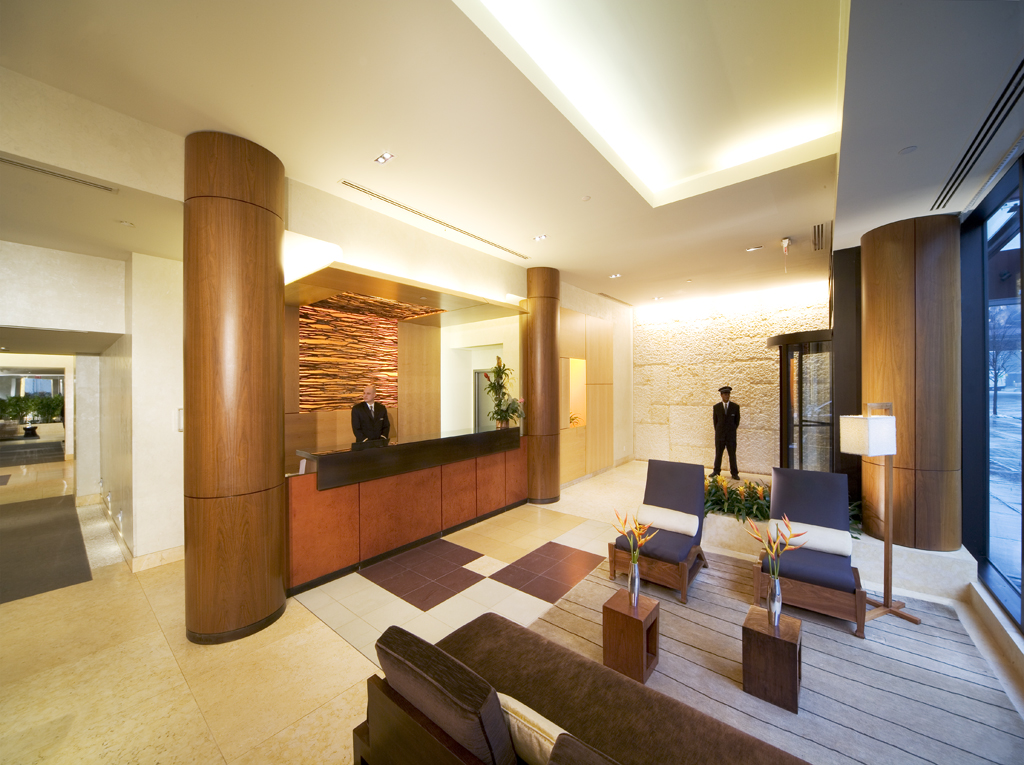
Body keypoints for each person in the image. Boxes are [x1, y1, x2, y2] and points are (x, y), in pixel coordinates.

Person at [711, 385, 740, 479]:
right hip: (720, 436)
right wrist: (719, 432)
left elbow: (736, 421)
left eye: (728, 394)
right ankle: (716, 471)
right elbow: (715, 422)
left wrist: (731, 431)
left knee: (732, 455)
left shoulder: (735, 407)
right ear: (721, 395)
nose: (727, 396)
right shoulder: (716, 407)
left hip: (731, 436)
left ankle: (734, 473)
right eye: (725, 394)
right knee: (718, 454)